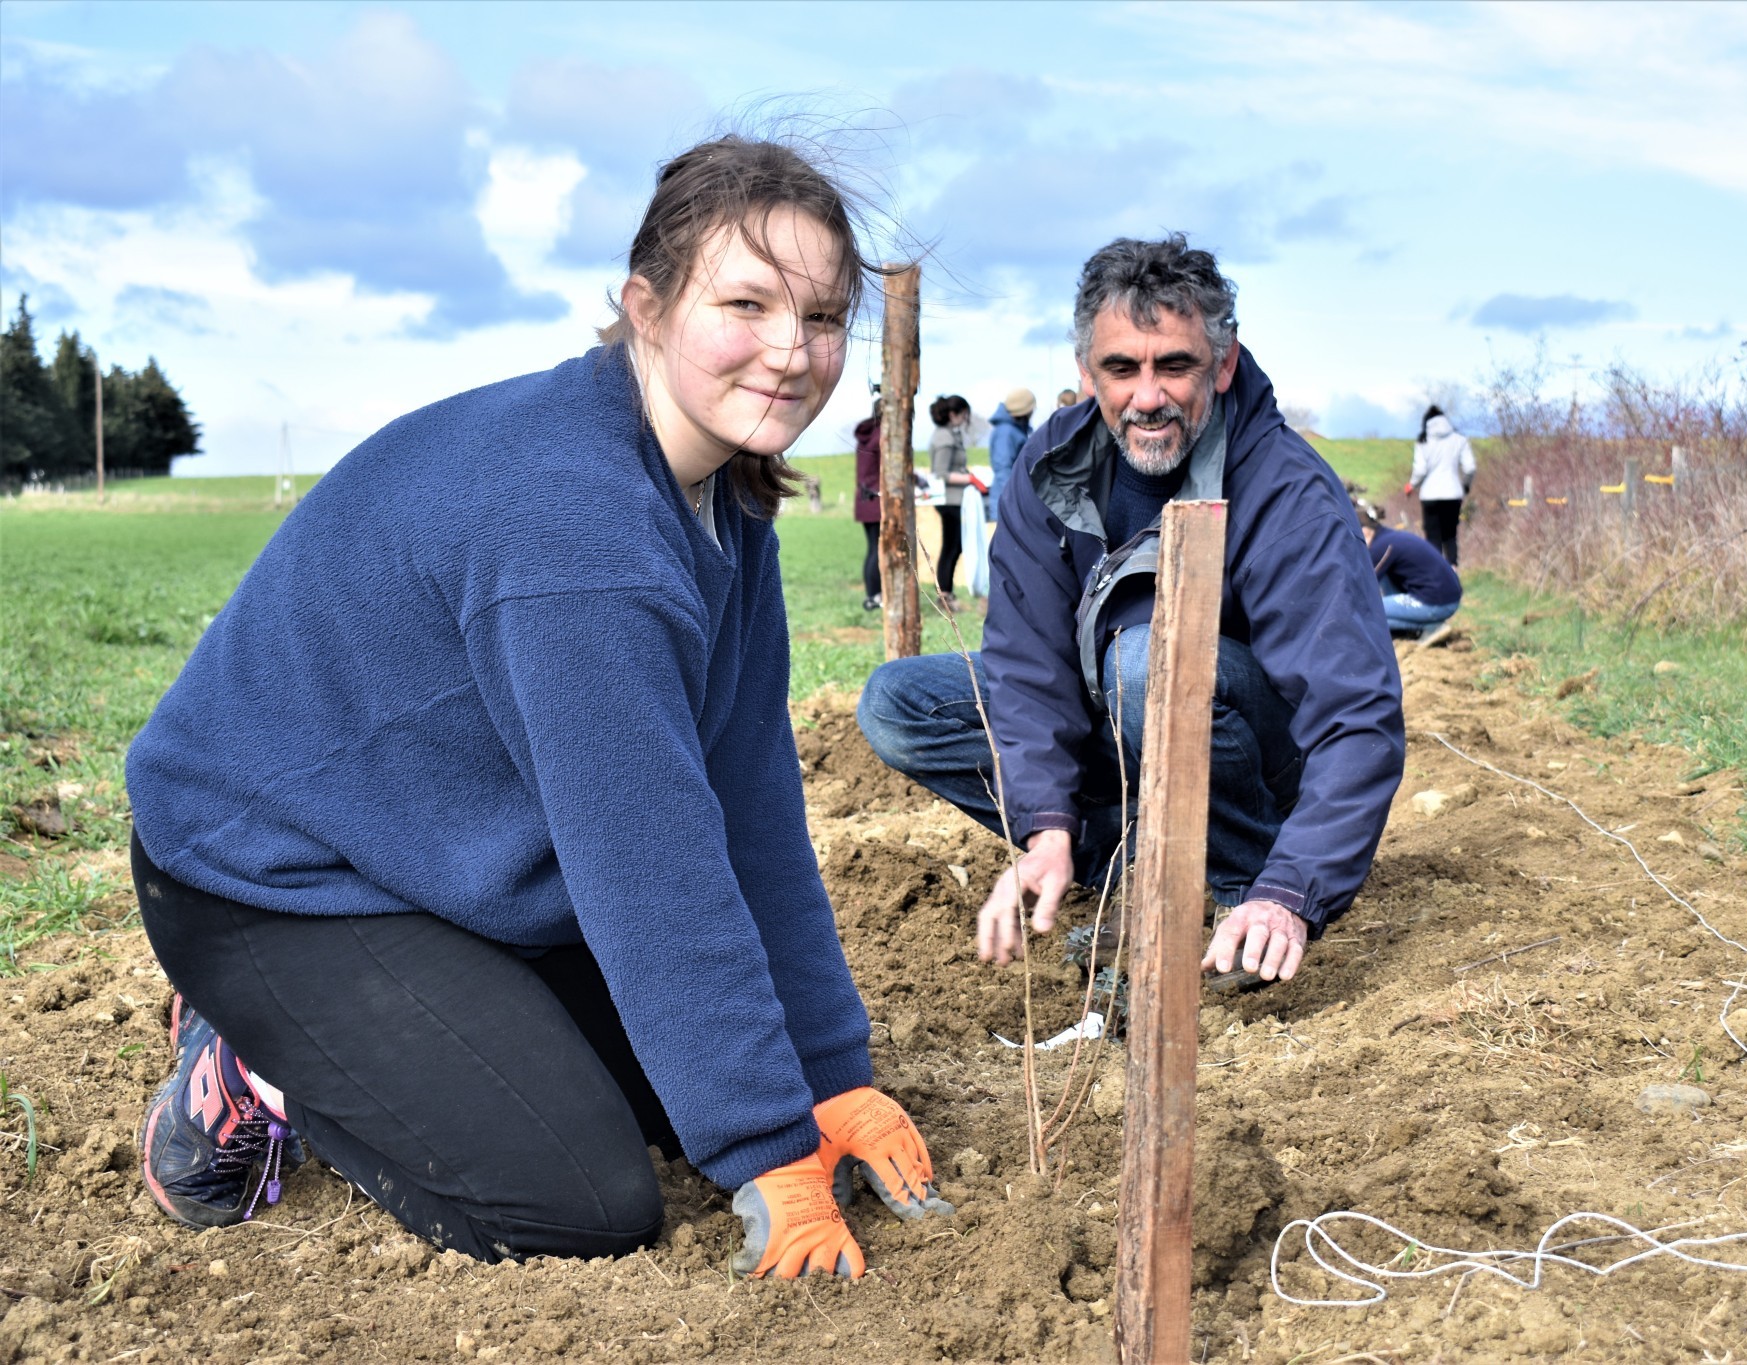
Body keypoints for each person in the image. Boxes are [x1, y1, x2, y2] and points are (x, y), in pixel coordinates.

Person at [125, 134, 951, 1280]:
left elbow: (748, 805)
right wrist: (765, 1146)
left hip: (433, 847)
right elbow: (646, 857)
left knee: (692, 1086)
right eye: (746, 303)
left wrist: (826, 1075)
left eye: (818, 319)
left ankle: (361, 1022)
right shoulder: (577, 531)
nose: (788, 351)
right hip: (270, 869)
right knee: (577, 1201)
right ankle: (257, 1057)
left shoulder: (719, 495)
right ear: (646, 307)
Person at [857, 234, 1404, 985]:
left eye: (1175, 365)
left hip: (1255, 764)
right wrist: (1046, 826)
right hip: (1123, 730)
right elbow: (1027, 664)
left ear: (1224, 363)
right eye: (1123, 368)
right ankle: (1126, 854)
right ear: (1087, 373)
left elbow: (1356, 716)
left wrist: (1294, 888)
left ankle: (1241, 883)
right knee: (899, 703)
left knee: (1144, 659)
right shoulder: (1054, 465)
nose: (1148, 396)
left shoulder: (1285, 491)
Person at [1358, 501, 1461, 638]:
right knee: (1385, 580)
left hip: (1436, 602)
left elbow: (1362, 585)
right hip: (1444, 597)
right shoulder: (1389, 538)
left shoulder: (1381, 547)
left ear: (1364, 531)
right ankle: (1416, 626)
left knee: (1365, 612)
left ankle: (1430, 627)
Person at [1405, 403, 1475, 566]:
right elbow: (1470, 467)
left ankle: (1435, 575)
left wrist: (1411, 485)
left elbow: (1420, 470)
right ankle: (1453, 572)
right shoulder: (1460, 439)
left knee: (1433, 536)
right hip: (1453, 494)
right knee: (1450, 536)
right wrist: (1465, 485)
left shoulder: (1423, 441)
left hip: (1430, 495)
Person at [927, 394, 975, 610]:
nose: (965, 419)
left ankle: (946, 592)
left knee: (955, 545)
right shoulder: (944, 438)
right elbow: (941, 473)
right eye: (964, 415)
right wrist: (970, 479)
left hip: (955, 498)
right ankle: (945, 595)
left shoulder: (948, 435)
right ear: (953, 414)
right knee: (951, 546)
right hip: (948, 499)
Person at [985, 386, 1034, 516]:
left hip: (1012, 496)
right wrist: (1014, 502)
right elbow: (1003, 468)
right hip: (1008, 502)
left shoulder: (1015, 429)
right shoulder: (1006, 432)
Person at [855, 395, 882, 610]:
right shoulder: (882, 436)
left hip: (866, 498)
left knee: (873, 547)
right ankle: (875, 596)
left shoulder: (868, 434)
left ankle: (874, 594)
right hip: (876, 497)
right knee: (877, 548)